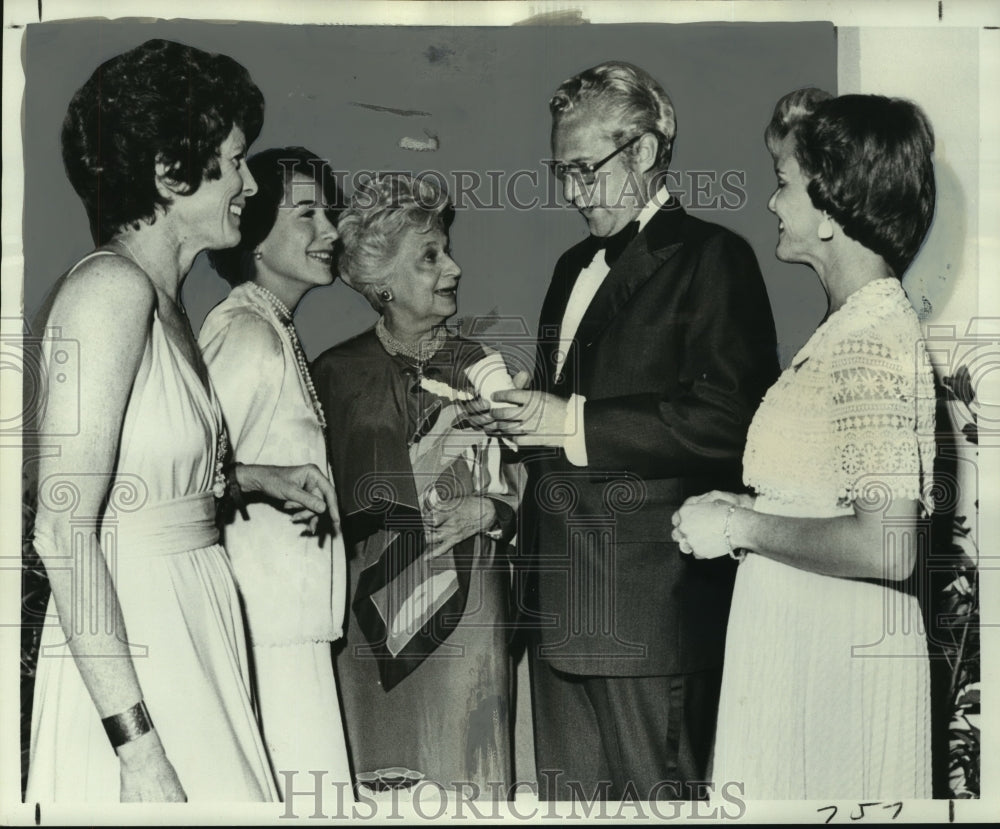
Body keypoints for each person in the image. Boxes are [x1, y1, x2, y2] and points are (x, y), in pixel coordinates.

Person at [25, 40, 340, 803]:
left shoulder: (168, 302)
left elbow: (149, 471)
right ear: (170, 174)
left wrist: (258, 476)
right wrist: (138, 751)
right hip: (137, 641)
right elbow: (62, 530)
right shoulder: (107, 293)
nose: (249, 180)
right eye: (234, 160)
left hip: (196, 617)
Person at [475, 61, 780, 800]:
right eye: (562, 172)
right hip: (557, 607)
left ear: (643, 152)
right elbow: (574, 416)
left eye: (586, 169)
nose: (573, 192)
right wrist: (528, 414)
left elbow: (730, 418)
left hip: (648, 613)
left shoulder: (715, 257)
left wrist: (570, 419)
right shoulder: (570, 265)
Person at [672, 89, 937, 799]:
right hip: (801, 637)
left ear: (830, 207)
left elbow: (887, 543)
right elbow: (824, 492)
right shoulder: (849, 328)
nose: (772, 203)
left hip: (832, 650)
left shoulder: (871, 338)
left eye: (784, 183)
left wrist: (741, 525)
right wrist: (752, 505)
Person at [311, 174, 522, 795]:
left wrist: (492, 508)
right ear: (382, 282)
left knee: (466, 773)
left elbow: (537, 480)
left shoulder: (486, 366)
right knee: (378, 775)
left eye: (447, 249)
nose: (453, 267)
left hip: (467, 602)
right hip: (365, 607)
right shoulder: (334, 374)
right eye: (430, 256)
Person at [199, 147, 352, 799]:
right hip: (267, 647)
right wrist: (260, 476)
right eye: (308, 213)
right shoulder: (248, 336)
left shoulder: (274, 330)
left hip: (291, 641)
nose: (332, 232)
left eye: (331, 213)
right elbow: (183, 473)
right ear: (256, 233)